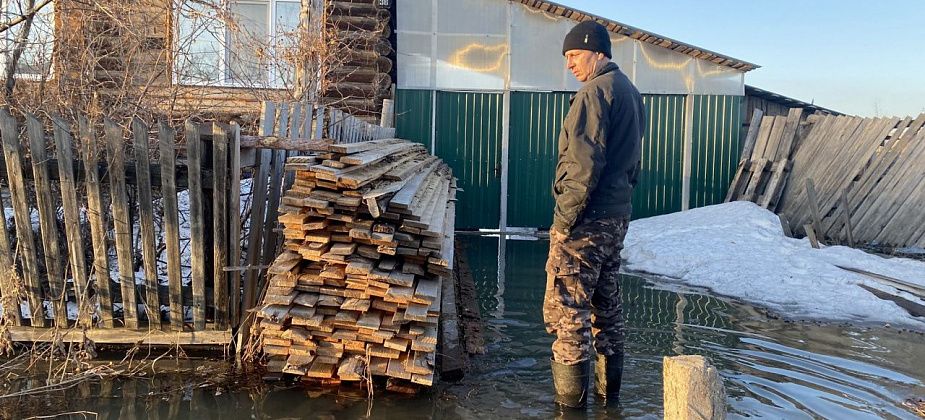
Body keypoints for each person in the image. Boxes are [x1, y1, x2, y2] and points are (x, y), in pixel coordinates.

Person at [544, 20, 644, 408]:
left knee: (567, 313)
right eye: (566, 56)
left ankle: (569, 409)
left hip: (586, 221)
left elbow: (582, 168)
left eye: (574, 54)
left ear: (597, 51)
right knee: (607, 309)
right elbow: (632, 165)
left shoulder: (594, 93)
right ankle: (610, 402)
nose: (569, 63)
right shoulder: (631, 93)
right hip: (615, 219)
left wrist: (564, 224)